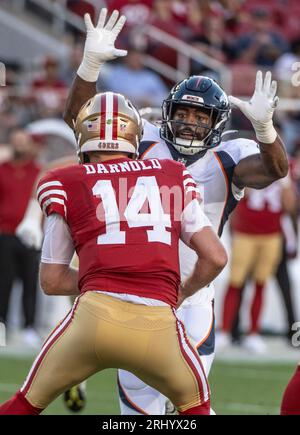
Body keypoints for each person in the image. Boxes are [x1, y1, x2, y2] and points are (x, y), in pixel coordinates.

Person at [25, 8, 288, 415]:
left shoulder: (230, 156)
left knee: (190, 409)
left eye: (200, 117)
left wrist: (267, 132)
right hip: (136, 294)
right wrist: (89, 67)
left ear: (217, 124)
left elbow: (274, 169)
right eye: (182, 113)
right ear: (168, 113)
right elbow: (83, 121)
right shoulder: (144, 141)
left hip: (193, 295)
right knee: (139, 412)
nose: (189, 123)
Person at [0, 91, 228, 415]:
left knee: (23, 405)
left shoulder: (65, 180)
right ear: (133, 136)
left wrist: (105, 281)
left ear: (81, 136)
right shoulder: (171, 174)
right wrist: (179, 291)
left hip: (91, 322)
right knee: (196, 410)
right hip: (158, 325)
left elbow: (51, 281)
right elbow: (216, 257)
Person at [217, 178, 297, 354]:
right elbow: (237, 196)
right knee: (235, 282)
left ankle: (253, 333)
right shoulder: (253, 165)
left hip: (272, 235)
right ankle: (225, 331)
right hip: (246, 233)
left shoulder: (283, 172)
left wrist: (285, 184)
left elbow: (290, 206)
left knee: (261, 283)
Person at [0, 128, 41, 347]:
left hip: (30, 236)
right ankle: (2, 326)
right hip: (5, 235)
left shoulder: (38, 172)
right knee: (3, 283)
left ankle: (29, 328)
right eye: (16, 141)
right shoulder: (2, 170)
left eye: (23, 141)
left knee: (29, 283)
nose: (19, 145)